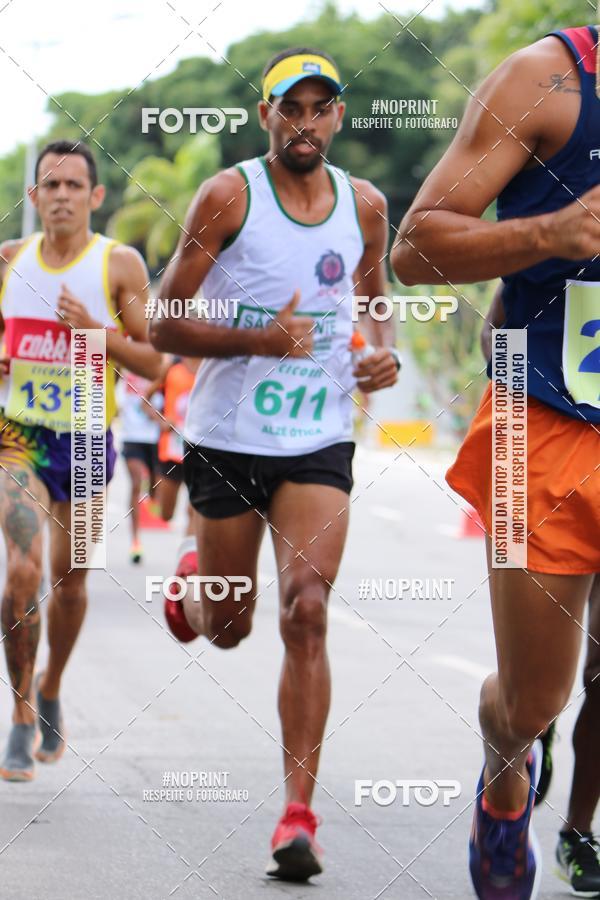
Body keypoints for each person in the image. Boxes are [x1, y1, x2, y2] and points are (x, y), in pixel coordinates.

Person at [150, 47, 401, 881]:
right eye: (288, 107)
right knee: (229, 629)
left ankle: (297, 816)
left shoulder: (365, 205)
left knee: (307, 610)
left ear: (337, 116)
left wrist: (380, 356)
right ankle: (194, 588)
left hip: (318, 438)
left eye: (319, 107)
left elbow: (375, 301)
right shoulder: (229, 195)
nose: (305, 121)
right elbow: (161, 324)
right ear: (266, 116)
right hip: (226, 438)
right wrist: (258, 338)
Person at [392, 23, 600, 900]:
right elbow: (415, 249)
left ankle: (579, 831)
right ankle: (506, 756)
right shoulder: (547, 81)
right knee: (532, 699)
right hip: (542, 418)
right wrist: (552, 231)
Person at [0, 139, 161, 781]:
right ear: (34, 196)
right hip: (21, 434)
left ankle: (51, 687)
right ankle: (16, 715)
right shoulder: (10, 262)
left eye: (74, 186)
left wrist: (93, 330)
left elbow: (154, 361)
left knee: (70, 581)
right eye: (50, 185)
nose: (61, 196)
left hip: (91, 436)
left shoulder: (117, 265)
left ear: (94, 197)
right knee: (21, 574)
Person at [482, 285, 600, 896]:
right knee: (531, 701)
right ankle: (519, 743)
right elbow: (499, 329)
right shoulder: (568, 225)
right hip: (552, 454)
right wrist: (511, 421)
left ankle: (577, 832)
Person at [143, 354, 199, 534]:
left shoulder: (212, 365)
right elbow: (145, 401)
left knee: (195, 511)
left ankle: (190, 558)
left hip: (201, 449)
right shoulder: (172, 367)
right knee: (166, 513)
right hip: (172, 450)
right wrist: (161, 421)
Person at [117, 368, 162, 562]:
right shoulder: (124, 357)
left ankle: (150, 492)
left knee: (155, 489)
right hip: (131, 434)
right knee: (136, 483)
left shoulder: (161, 358)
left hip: (155, 435)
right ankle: (135, 541)